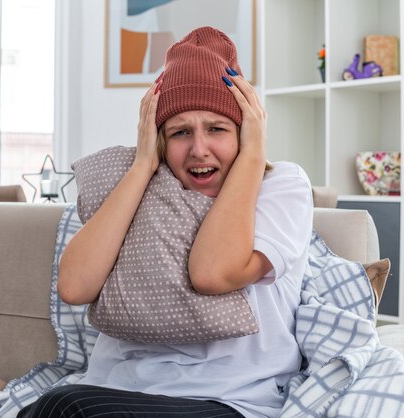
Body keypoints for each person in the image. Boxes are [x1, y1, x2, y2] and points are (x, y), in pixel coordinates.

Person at [18, 26, 313, 418]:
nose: (198, 149)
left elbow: (211, 272)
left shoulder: (281, 186)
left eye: (218, 128)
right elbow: (74, 287)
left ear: (246, 131)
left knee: (64, 408)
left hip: (228, 399)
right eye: (179, 133)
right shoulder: (140, 189)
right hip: (112, 389)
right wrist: (142, 165)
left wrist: (253, 154)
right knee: (53, 408)